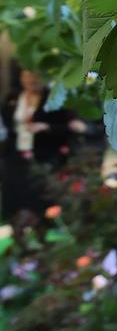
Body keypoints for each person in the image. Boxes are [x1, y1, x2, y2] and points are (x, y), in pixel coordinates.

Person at [1, 69, 87, 220]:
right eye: (27, 76)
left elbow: (69, 127)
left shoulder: (54, 98)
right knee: (15, 189)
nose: (31, 80)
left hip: (45, 153)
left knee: (41, 191)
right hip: (16, 152)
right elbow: (9, 124)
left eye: (35, 76)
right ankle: (17, 223)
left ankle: (45, 222)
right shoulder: (13, 97)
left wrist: (46, 127)